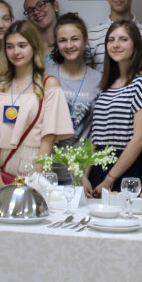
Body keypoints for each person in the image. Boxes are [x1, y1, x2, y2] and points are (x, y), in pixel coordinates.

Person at [0, 20, 73, 189]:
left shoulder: (49, 85)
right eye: (10, 46)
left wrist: (34, 176)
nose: (15, 52)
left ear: (34, 47)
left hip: (33, 160)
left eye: (22, 45)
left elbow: (49, 138)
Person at [86, 20, 142, 196]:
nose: (116, 45)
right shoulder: (105, 86)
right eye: (111, 40)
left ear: (135, 45)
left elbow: (139, 140)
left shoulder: (141, 83)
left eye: (123, 39)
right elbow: (95, 136)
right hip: (97, 167)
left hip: (124, 169)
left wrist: (110, 179)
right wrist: (84, 174)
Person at [46, 13, 102, 185]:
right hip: (47, 170)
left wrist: (83, 173)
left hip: (81, 173)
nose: (69, 45)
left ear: (85, 40)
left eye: (74, 39)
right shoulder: (46, 76)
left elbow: (96, 133)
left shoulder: (99, 80)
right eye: (63, 40)